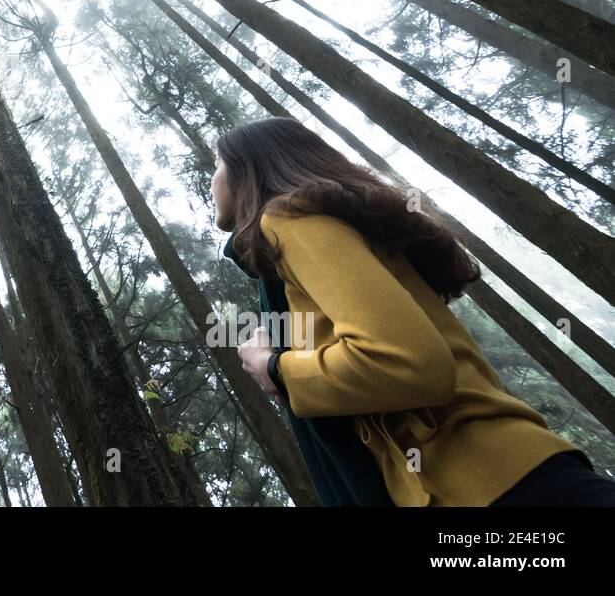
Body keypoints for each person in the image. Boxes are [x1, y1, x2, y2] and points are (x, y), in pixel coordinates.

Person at [212, 116, 615, 507]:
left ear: (247, 167)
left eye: (217, 165)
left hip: (492, 485)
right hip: (503, 473)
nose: (212, 181)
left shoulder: (288, 220)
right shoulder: (327, 227)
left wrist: (275, 368)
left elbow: (407, 363)